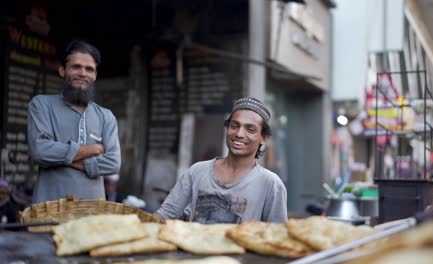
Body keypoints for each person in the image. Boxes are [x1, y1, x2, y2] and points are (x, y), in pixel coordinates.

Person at [153, 97, 287, 224]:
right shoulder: (197, 172)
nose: (239, 134)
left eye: (250, 129)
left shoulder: (271, 184)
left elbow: (277, 235)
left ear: (263, 138)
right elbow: (164, 215)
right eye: (234, 126)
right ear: (227, 129)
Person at [27, 40, 121, 203]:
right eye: (76, 67)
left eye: (89, 69)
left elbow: (113, 163)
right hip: (49, 209)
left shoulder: (106, 116)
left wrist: (62, 158)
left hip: (92, 214)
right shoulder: (41, 104)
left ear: (95, 76)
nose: (83, 73)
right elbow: (40, 150)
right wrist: (91, 149)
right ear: (62, 70)